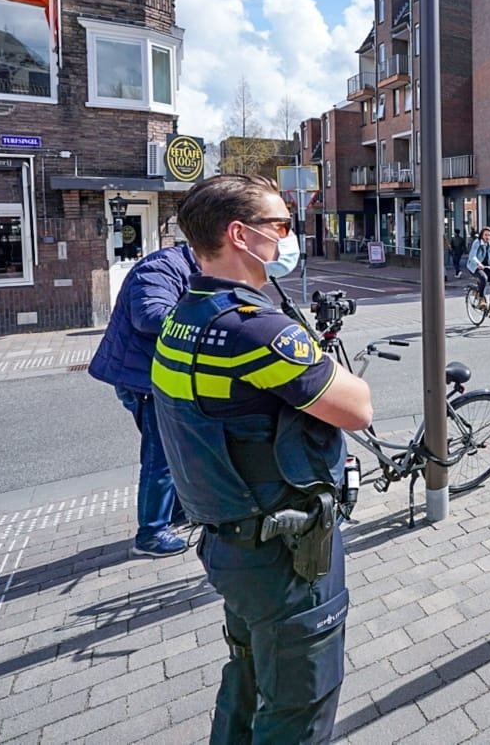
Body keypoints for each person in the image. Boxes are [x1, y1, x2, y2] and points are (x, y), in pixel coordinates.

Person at [150, 174, 374, 744]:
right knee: (301, 703)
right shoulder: (254, 329)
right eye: (280, 225)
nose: (287, 237)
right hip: (285, 554)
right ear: (239, 235)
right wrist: (316, 352)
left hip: (233, 540)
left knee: (248, 678)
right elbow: (357, 408)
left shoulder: (186, 317)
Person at [88, 241, 201, 557]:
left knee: (177, 450)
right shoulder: (161, 267)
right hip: (144, 380)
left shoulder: (192, 268)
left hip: (160, 376)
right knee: (161, 456)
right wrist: (208, 320)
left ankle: (178, 512)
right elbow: (150, 316)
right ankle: (151, 533)